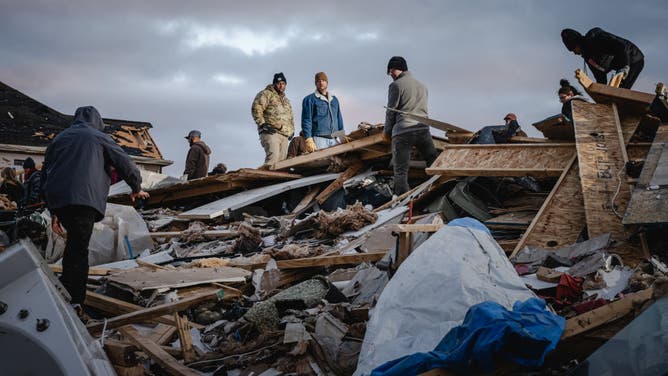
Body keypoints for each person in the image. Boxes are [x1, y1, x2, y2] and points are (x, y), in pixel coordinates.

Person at [42, 106, 149, 315]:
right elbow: (125, 163)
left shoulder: (60, 139)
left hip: (61, 201)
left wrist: (52, 209)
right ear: (98, 122)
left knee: (74, 246)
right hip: (85, 202)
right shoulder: (99, 137)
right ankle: (74, 300)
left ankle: (65, 289)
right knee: (79, 249)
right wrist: (136, 188)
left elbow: (45, 174)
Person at [384, 56, 439, 195]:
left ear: (399, 69)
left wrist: (387, 132)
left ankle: (403, 201)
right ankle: (437, 190)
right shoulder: (422, 86)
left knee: (401, 170)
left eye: (391, 70)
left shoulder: (396, 86)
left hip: (403, 131)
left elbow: (391, 112)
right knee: (433, 161)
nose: (390, 74)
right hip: (423, 129)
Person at [561, 27, 644, 89]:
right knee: (614, 92)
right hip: (621, 65)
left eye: (574, 49)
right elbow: (600, 76)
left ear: (578, 44)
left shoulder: (595, 37)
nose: (575, 53)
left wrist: (624, 65)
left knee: (620, 91)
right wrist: (601, 91)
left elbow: (620, 46)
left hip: (633, 58)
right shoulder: (588, 57)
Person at [251, 72, 295, 167]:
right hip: (271, 131)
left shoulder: (286, 101)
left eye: (283, 83)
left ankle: (278, 181)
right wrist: (262, 124)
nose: (280, 85)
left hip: (284, 134)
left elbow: (290, 117)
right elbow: (257, 107)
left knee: (282, 162)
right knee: (273, 158)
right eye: (278, 83)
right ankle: (263, 180)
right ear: (274, 84)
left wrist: (291, 130)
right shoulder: (266, 94)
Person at [301, 72, 345, 152]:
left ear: (327, 82)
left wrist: (342, 137)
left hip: (334, 140)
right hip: (319, 139)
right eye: (318, 81)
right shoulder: (309, 99)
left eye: (323, 80)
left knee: (338, 163)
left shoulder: (334, 100)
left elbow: (339, 118)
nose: (321, 83)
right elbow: (306, 120)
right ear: (315, 84)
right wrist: (308, 139)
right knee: (322, 163)